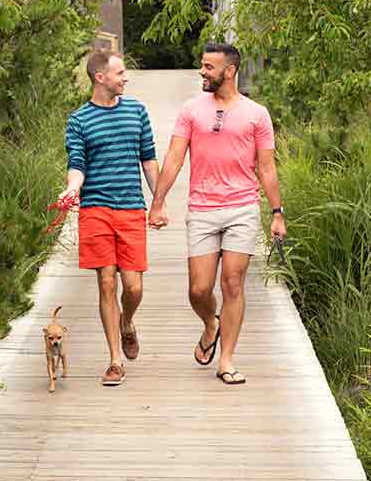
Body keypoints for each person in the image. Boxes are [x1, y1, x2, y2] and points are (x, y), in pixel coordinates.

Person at [147, 42, 285, 385]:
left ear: (230, 71)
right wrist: (159, 201)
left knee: (233, 283)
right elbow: (176, 157)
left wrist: (277, 213)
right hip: (203, 208)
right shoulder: (191, 110)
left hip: (242, 207)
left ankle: (226, 359)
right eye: (202, 65)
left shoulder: (257, 114)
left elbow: (266, 168)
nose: (202, 72)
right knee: (199, 289)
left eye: (209, 67)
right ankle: (211, 324)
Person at [60, 50, 160, 386]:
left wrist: (157, 202)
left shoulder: (137, 111)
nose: (125, 78)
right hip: (96, 209)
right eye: (120, 73)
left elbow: (148, 160)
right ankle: (115, 360)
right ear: (100, 77)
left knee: (132, 287)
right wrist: (72, 190)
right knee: (106, 281)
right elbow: (77, 165)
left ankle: (127, 322)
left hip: (131, 207)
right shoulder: (79, 120)